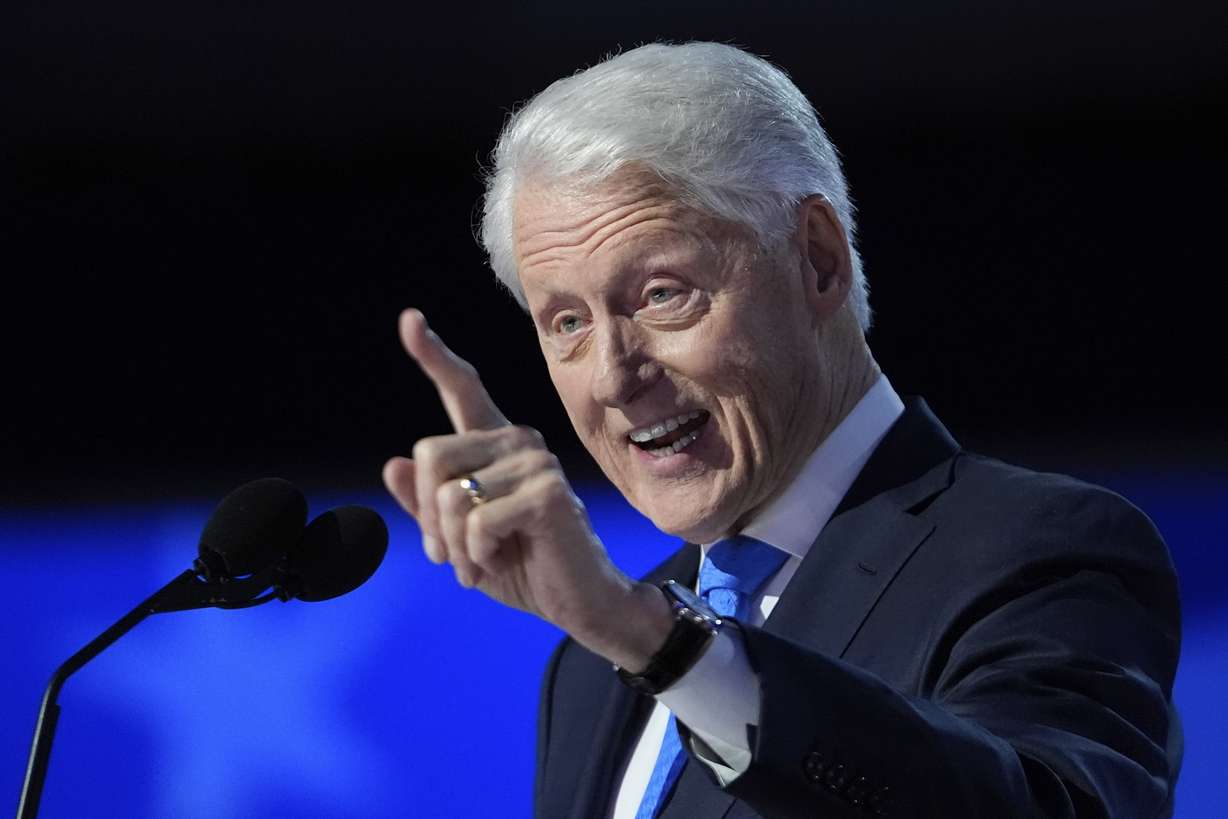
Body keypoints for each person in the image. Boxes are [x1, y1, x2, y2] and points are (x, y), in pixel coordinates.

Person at [382, 42, 1182, 819]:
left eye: (662, 293)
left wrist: (662, 646)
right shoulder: (589, 672)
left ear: (819, 260)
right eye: (566, 322)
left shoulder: (1042, 550)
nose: (613, 376)